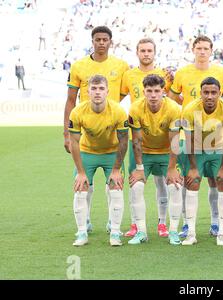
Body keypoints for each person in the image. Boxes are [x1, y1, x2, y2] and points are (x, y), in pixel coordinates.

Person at [63, 26, 129, 233]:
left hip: (111, 131)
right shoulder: (78, 66)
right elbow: (71, 100)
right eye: (98, 39)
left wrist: (113, 108)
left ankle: (113, 223)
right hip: (87, 129)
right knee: (84, 183)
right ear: (92, 41)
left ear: (111, 42)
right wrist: (66, 133)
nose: (101, 42)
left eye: (105, 39)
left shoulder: (121, 65)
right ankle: (86, 222)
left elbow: (129, 91)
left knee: (114, 182)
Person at [168, 35, 223, 238]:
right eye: (199, 48)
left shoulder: (221, 72)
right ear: (193, 49)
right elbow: (172, 98)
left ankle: (215, 223)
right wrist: (186, 107)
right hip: (191, 135)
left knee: (215, 181)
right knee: (190, 179)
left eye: (206, 48)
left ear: (211, 50)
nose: (202, 51)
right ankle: (188, 224)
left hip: (216, 139)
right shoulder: (183, 72)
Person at [120, 38, 173, 238]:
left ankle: (162, 224)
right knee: (135, 181)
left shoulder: (165, 75)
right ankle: (135, 224)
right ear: (137, 52)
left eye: (149, 50)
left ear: (155, 53)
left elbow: (173, 100)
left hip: (161, 138)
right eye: (142, 50)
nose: (146, 54)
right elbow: (116, 98)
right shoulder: (128, 75)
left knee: (162, 182)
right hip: (139, 137)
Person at [68, 75, 128, 247]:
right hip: (88, 152)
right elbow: (74, 142)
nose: (97, 92)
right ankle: (82, 231)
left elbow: (124, 140)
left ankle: (115, 231)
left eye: (101, 88)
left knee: (116, 188)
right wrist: (80, 172)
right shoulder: (78, 112)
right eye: (94, 89)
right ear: (87, 92)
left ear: (107, 91)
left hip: (112, 153)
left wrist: (116, 169)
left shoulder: (118, 111)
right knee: (81, 189)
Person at [127, 74, 183, 245]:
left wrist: (172, 168)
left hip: (166, 151)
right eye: (149, 91)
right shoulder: (135, 109)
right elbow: (136, 140)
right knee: (136, 186)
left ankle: (173, 230)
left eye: (156, 91)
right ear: (143, 92)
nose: (153, 95)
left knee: (175, 186)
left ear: (163, 91)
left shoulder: (174, 109)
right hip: (144, 151)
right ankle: (141, 231)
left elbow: (175, 139)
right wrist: (139, 167)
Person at [180, 77, 223, 246]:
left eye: (213, 93)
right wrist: (193, 168)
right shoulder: (189, 110)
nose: (210, 96)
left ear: (220, 93)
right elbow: (188, 141)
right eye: (206, 92)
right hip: (196, 150)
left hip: (218, 149)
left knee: (222, 181)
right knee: (192, 181)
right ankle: (191, 233)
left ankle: (222, 231)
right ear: (200, 93)